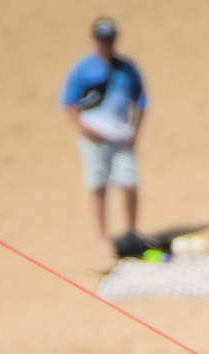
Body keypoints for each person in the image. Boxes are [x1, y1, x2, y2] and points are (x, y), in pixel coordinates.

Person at [63, 16, 148, 263]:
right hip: (95, 138)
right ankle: (102, 238)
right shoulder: (82, 69)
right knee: (98, 187)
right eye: (102, 40)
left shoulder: (127, 68)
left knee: (130, 184)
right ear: (94, 41)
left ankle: (132, 233)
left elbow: (141, 101)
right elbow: (69, 103)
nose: (106, 45)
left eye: (110, 40)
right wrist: (84, 128)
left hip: (123, 136)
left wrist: (136, 131)